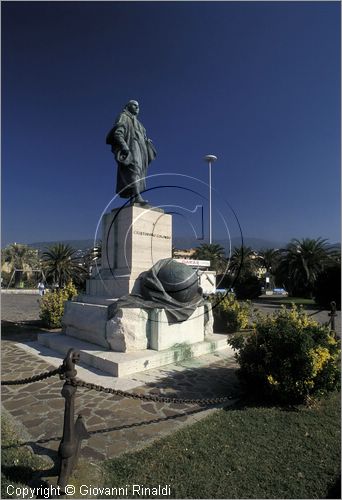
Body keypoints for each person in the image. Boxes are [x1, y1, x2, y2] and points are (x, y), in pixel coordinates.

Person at [106, 100, 156, 205]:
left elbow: (143, 136)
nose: (137, 107)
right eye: (134, 105)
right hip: (132, 146)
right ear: (128, 106)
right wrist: (124, 146)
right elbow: (118, 133)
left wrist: (147, 141)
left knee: (139, 172)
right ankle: (137, 196)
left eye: (138, 106)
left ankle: (134, 197)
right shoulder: (123, 116)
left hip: (141, 150)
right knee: (134, 170)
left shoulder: (140, 124)